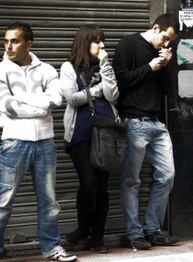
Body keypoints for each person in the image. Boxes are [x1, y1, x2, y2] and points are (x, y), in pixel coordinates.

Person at [0, 22, 77, 262]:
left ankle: (51, 247)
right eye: (6, 41)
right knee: (3, 200)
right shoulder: (0, 70)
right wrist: (38, 103)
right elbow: (8, 108)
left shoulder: (46, 70)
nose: (9, 46)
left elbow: (55, 99)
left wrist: (22, 99)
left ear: (29, 43)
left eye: (15, 41)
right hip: (14, 142)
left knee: (49, 201)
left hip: (45, 143)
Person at [112, 13, 179, 250]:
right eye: (165, 38)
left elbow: (164, 90)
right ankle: (134, 232)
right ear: (155, 27)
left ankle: (152, 228)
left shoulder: (161, 53)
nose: (166, 44)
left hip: (157, 124)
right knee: (132, 181)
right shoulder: (127, 45)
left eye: (170, 41)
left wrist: (166, 66)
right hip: (134, 122)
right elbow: (120, 82)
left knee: (167, 175)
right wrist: (149, 67)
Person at [60, 24, 119, 253]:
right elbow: (73, 99)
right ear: (85, 43)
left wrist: (105, 66)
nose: (102, 45)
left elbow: (114, 94)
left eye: (103, 41)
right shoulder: (69, 67)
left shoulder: (106, 66)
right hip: (80, 134)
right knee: (88, 183)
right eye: (97, 41)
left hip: (105, 133)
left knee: (102, 187)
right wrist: (97, 91)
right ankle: (83, 228)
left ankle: (98, 237)